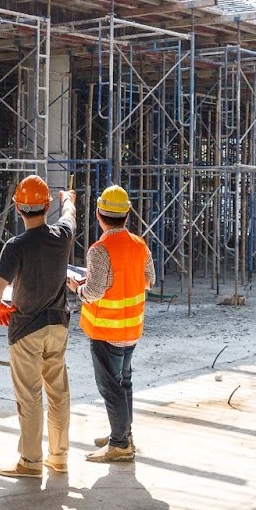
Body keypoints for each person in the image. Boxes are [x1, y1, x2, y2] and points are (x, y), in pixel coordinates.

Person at [0, 177, 77, 479]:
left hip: (26, 329)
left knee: (29, 396)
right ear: (46, 205)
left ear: (17, 207)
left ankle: (30, 461)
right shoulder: (62, 235)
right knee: (59, 394)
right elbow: (69, 215)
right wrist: (68, 199)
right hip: (58, 326)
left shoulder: (16, 246)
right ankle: (59, 457)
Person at [68, 184, 154, 463]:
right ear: (127, 215)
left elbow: (93, 293)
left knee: (110, 387)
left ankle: (119, 444)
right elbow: (148, 279)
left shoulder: (100, 249)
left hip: (107, 330)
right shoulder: (140, 244)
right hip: (131, 329)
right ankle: (123, 433)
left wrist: (76, 288)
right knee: (124, 382)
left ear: (98, 215)